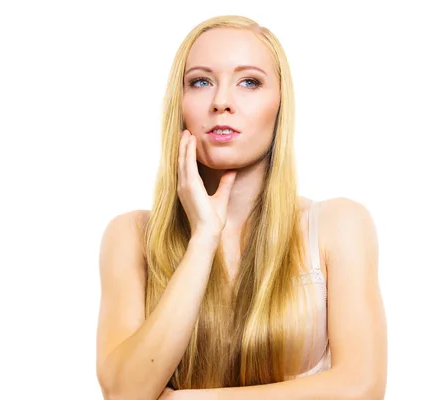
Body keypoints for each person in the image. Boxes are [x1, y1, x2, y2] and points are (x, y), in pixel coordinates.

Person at [95, 15, 387, 400]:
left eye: (249, 82)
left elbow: (362, 388)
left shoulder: (339, 225)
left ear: (280, 103)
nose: (221, 102)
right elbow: (125, 394)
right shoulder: (130, 236)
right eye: (201, 81)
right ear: (178, 104)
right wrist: (203, 238)